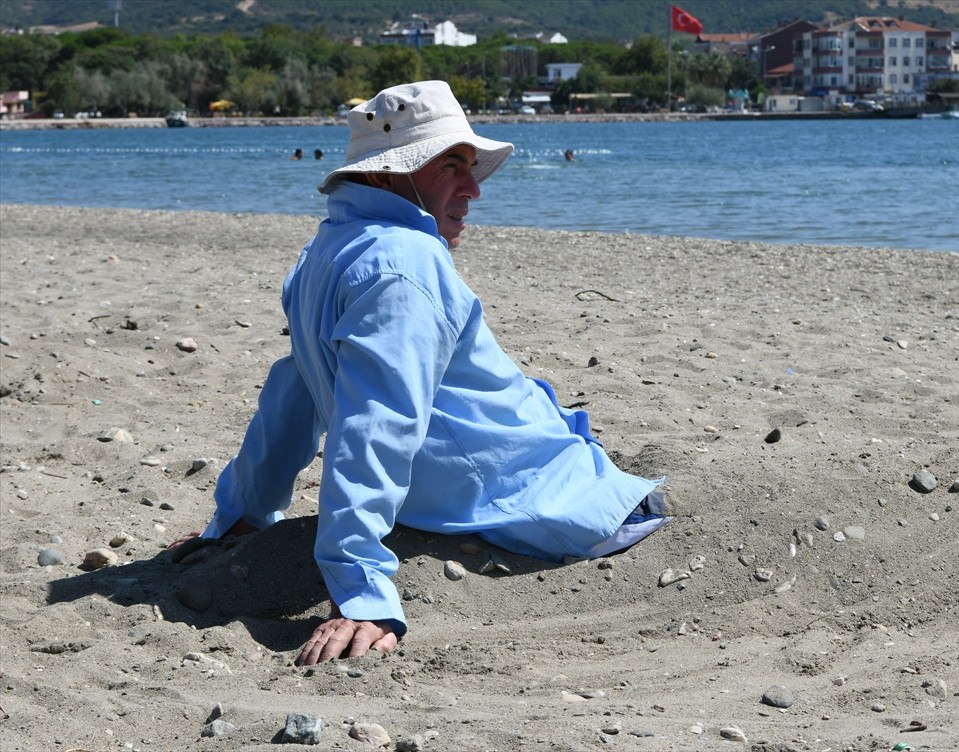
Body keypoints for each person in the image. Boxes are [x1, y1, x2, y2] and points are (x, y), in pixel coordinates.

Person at [170, 81, 670, 666]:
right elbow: (377, 424)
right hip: (561, 506)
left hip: (498, 486)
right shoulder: (405, 264)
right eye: (452, 166)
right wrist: (361, 593)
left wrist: (243, 514)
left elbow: (296, 390)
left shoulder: (328, 247)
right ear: (388, 175)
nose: (475, 190)